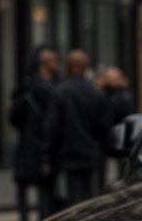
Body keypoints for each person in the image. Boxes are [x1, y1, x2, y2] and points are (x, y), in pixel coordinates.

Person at [38, 49, 109, 209]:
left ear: (68, 66)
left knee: (71, 202)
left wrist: (45, 156)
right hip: (89, 154)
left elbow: (51, 126)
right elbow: (103, 126)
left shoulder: (61, 92)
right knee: (89, 200)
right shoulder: (96, 93)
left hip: (67, 155)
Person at [9, 45, 59, 221]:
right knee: (45, 192)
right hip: (41, 146)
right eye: (52, 61)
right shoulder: (49, 90)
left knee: (25, 191)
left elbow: (13, 119)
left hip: (26, 146)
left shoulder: (26, 88)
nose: (56, 64)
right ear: (43, 65)